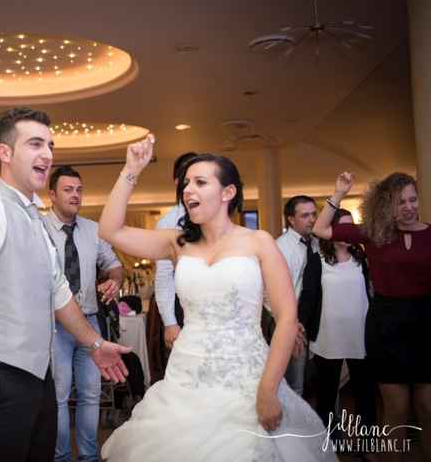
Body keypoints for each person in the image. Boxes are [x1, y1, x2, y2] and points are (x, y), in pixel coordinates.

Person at [0, 63, 129, 462]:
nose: (48, 154)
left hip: (38, 380)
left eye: (50, 145)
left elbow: (59, 294)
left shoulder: (37, 220)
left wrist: (94, 344)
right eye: (35, 144)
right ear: (5, 153)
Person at [98, 140, 334, 461]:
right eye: (186, 183)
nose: (187, 190)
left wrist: (268, 389)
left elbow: (287, 318)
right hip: (186, 376)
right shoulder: (176, 243)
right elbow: (110, 230)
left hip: (246, 374)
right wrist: (131, 170)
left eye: (200, 182)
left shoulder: (259, 242)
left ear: (228, 192)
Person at [313, 172, 431, 461]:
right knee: (396, 409)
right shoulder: (374, 233)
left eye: (413, 199)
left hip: (426, 325)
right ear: (387, 205)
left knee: (428, 408)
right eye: (400, 202)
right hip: (387, 327)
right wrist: (339, 193)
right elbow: (320, 228)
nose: (408, 207)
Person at [45, 166, 123, 462]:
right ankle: (61, 457)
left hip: (90, 322)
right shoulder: (38, 228)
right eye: (68, 190)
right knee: (59, 396)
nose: (75, 195)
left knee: (91, 394)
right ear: (52, 195)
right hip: (55, 325)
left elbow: (114, 264)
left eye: (79, 190)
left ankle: (89, 457)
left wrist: (114, 280)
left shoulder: (93, 229)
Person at [309, 208, 376, 459]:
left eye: (352, 227)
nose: (348, 233)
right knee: (326, 395)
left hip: (360, 337)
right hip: (328, 338)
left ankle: (367, 444)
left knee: (365, 394)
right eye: (343, 227)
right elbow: (309, 297)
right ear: (331, 230)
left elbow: (371, 293)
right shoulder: (317, 259)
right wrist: (301, 327)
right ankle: (329, 443)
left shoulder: (363, 257)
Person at [269, 195, 319, 396]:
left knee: (312, 381)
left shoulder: (316, 243)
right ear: (291, 219)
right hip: (291, 324)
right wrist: (289, 324)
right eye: (305, 215)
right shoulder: (280, 248)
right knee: (293, 386)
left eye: (314, 214)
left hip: (314, 320)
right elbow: (269, 292)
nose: (312, 220)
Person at [154, 151, 196, 350]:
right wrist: (170, 322)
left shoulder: (216, 217)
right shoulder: (167, 223)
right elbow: (164, 276)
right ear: (177, 182)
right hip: (183, 307)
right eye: (188, 179)